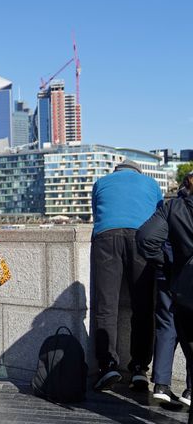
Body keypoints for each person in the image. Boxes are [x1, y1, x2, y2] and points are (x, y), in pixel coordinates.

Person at [91, 160, 162, 391]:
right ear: (137, 172)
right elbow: (159, 218)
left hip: (106, 237)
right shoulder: (151, 183)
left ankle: (107, 365)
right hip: (142, 238)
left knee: (106, 306)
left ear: (116, 172)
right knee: (143, 306)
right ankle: (139, 369)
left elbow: (96, 214)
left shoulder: (101, 182)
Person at [137, 175, 193, 423]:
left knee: (168, 327)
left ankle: (161, 383)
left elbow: (146, 238)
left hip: (182, 285)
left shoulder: (172, 207)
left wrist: (170, 267)